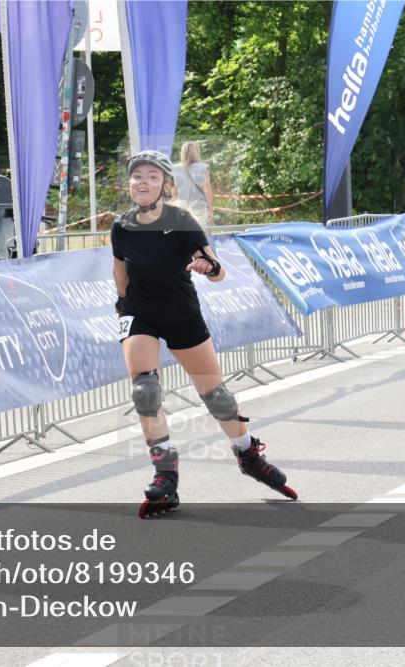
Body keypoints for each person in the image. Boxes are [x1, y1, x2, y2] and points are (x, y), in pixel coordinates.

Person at [111, 150, 297, 518]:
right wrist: (122, 305)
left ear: (166, 184)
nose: (142, 182)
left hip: (181, 313)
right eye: (137, 176)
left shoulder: (181, 220)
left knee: (218, 398)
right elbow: (120, 273)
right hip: (140, 313)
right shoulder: (122, 225)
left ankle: (246, 452)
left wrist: (207, 266)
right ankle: (165, 472)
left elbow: (218, 270)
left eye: (151, 176)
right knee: (144, 391)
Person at [171, 141, 215, 226]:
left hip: (181, 209)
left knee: (184, 235)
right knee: (200, 235)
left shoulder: (175, 169)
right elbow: (207, 189)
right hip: (199, 208)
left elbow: (174, 193)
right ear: (196, 152)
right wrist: (210, 210)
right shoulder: (204, 167)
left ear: (182, 153)